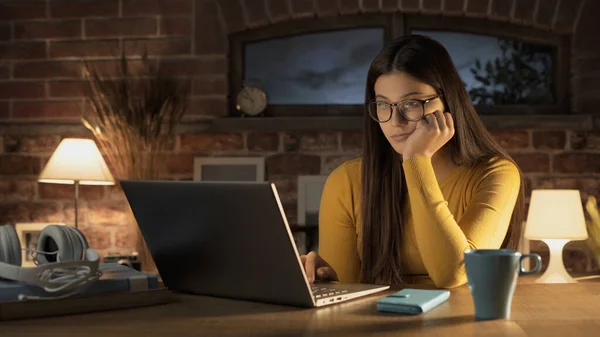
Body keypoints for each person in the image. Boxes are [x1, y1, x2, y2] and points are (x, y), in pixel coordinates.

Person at [300, 35, 525, 289]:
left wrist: (417, 160)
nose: (396, 120)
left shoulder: (495, 174)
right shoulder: (346, 181)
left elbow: (455, 273)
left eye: (411, 103)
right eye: (384, 105)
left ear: (448, 101)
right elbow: (349, 290)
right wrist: (324, 277)